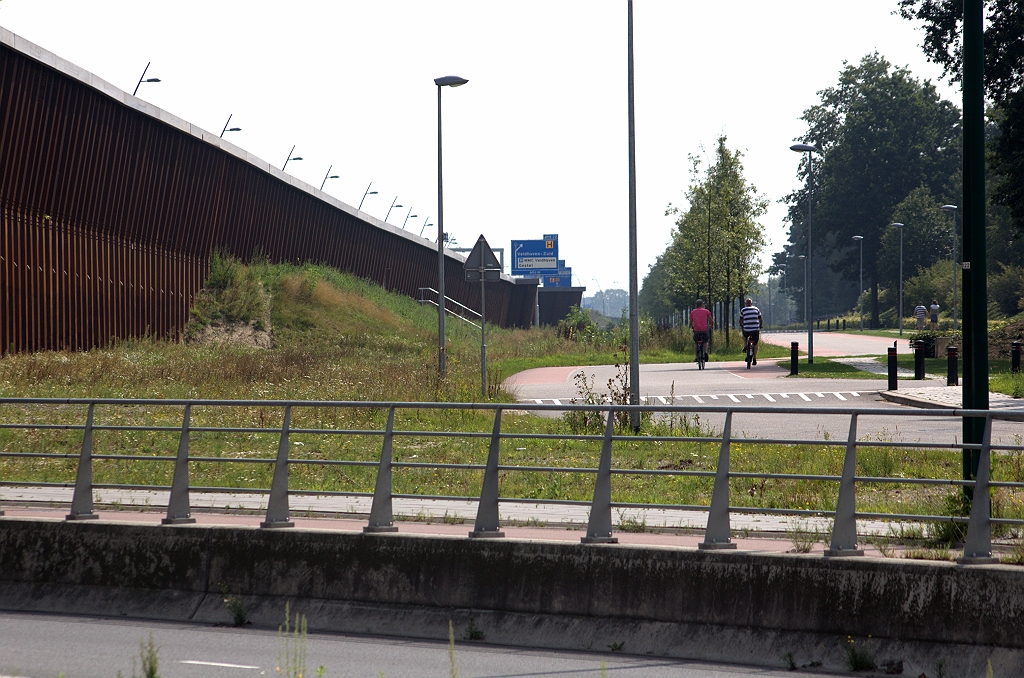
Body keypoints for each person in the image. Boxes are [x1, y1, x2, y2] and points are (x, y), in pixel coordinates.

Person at [739, 298, 763, 364]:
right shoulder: (756, 309)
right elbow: (760, 319)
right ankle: (755, 358)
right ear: (751, 303)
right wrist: (760, 326)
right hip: (755, 329)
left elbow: (740, 319)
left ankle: (745, 345)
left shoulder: (743, 310)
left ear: (745, 303)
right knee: (755, 343)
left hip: (747, 329)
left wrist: (741, 325)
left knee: (744, 336)